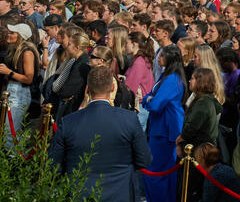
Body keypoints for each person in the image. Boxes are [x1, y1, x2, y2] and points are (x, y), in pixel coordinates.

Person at [49, 66, 152, 202]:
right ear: (112, 89)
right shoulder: (129, 119)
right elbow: (144, 160)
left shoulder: (69, 122)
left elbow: (53, 166)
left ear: (87, 89)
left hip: (80, 194)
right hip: (120, 194)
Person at [143, 45, 187, 202]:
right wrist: (148, 99)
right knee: (162, 173)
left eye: (161, 56)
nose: (158, 58)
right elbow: (150, 95)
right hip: (161, 128)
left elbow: (154, 104)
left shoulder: (172, 79)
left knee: (156, 173)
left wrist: (147, 101)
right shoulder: (165, 76)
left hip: (165, 131)